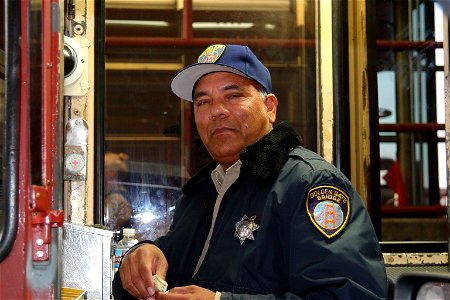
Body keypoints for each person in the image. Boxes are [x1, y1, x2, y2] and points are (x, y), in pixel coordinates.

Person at [113, 44, 388, 300]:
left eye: (233, 96)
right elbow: (166, 267)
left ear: (269, 107)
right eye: (203, 102)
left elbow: (349, 295)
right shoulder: (203, 192)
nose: (216, 112)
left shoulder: (308, 183)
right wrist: (141, 255)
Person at [104, 151, 133, 230]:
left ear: (111, 173)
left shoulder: (116, 198)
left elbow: (109, 228)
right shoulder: (115, 195)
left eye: (103, 172)